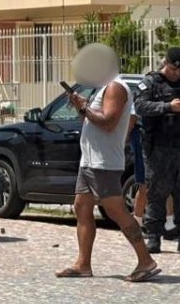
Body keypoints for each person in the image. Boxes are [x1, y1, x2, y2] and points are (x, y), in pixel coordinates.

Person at [55, 44, 160, 282]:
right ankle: (83, 263)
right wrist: (81, 107)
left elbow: (109, 122)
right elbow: (95, 120)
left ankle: (146, 260)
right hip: (90, 161)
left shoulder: (115, 87)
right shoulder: (103, 88)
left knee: (117, 211)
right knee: (82, 207)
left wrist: (83, 107)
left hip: (103, 163)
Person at [133, 47, 180, 254]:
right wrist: (168, 107)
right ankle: (154, 237)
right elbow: (140, 106)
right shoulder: (150, 82)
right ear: (165, 63)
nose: (176, 73)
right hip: (159, 148)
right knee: (157, 194)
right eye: (173, 69)